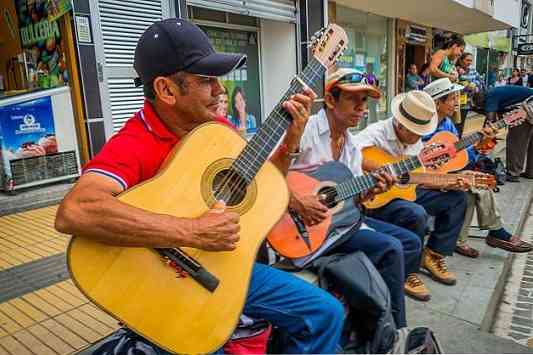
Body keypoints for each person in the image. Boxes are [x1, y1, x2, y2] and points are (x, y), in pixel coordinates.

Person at [54, 18, 344, 354]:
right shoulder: (133, 142)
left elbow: (258, 185)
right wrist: (191, 231)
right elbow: (75, 211)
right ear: (166, 90)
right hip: (164, 288)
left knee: (326, 313)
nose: (220, 91)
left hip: (223, 267)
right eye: (206, 80)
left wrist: (289, 144)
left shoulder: (216, 128)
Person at [289, 68, 422, 326]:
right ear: (330, 100)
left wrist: (370, 191)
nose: (362, 107)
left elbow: (348, 199)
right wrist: (297, 201)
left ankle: (372, 318)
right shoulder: (304, 131)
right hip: (299, 228)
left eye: (365, 100)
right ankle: (394, 332)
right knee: (391, 249)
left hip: (336, 223)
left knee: (411, 242)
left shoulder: (351, 146)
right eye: (353, 99)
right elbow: (269, 175)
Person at [355, 90, 468, 300]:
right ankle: (407, 273)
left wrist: (444, 182)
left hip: (402, 192)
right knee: (415, 213)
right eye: (415, 132)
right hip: (373, 199)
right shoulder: (375, 133)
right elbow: (353, 154)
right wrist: (386, 170)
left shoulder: (414, 141)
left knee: (457, 198)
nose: (418, 138)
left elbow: (413, 178)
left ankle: (433, 254)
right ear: (400, 124)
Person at [423, 78, 533, 255]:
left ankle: (466, 238)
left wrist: (481, 145)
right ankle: (495, 232)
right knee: (474, 185)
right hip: (423, 178)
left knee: (479, 181)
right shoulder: (424, 126)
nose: (457, 103)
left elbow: (459, 156)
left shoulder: (448, 124)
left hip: (443, 173)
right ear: (437, 103)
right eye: (452, 99)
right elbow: (427, 159)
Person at [472, 86, 533, 183]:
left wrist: (483, 139)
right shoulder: (496, 93)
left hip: (526, 107)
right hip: (530, 102)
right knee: (530, 140)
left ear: (482, 101)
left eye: (481, 107)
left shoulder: (490, 96)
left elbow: (490, 121)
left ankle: (513, 173)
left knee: (516, 140)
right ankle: (531, 172)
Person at [456, 52, 483, 134]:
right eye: (467, 60)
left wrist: (475, 86)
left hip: (466, 103)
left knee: (461, 125)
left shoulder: (473, 70)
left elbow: (480, 81)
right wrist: (466, 85)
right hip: (456, 102)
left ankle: (458, 143)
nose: (469, 62)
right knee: (454, 124)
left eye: (471, 60)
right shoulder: (455, 70)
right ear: (461, 60)